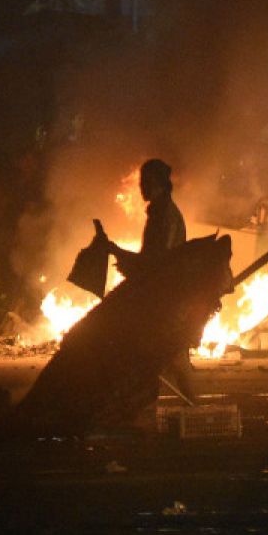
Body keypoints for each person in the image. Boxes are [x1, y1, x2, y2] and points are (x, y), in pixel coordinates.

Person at [103, 158, 194, 400]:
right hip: (162, 297)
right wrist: (117, 252)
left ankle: (198, 411)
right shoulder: (160, 212)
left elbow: (156, 262)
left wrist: (119, 254)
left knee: (165, 356)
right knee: (160, 359)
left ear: (159, 184)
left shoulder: (165, 215)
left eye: (146, 182)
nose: (141, 187)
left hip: (164, 299)